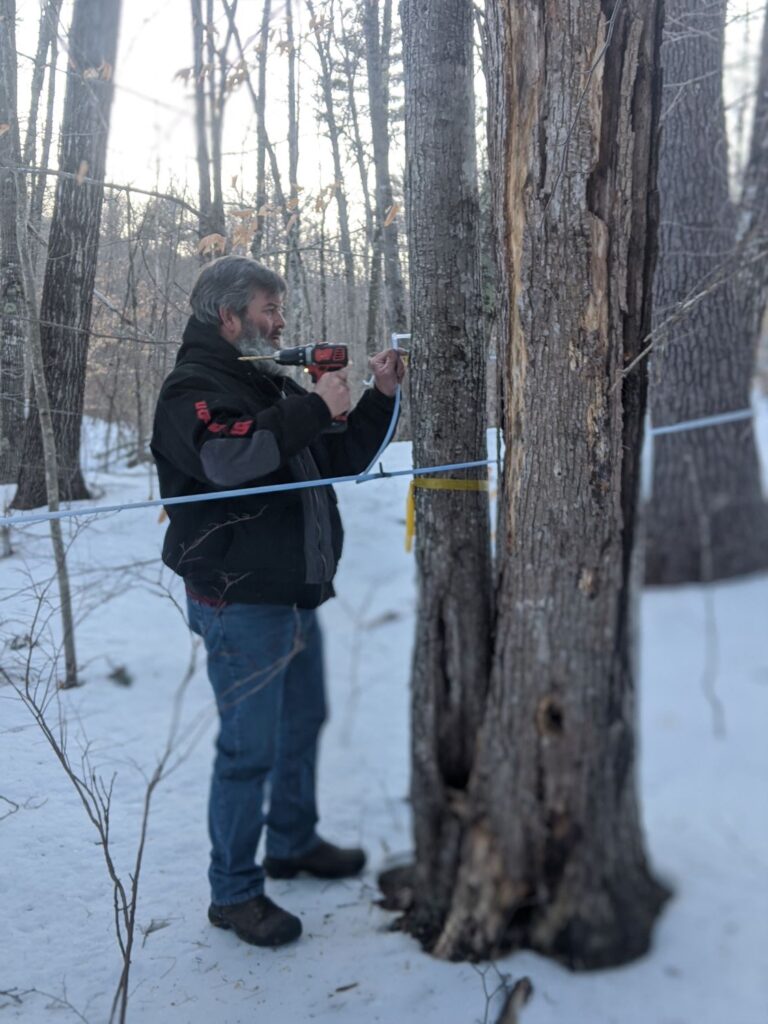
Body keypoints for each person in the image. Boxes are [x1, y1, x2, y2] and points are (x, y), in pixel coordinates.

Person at [151, 255, 405, 948]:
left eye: (281, 308)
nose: (281, 321)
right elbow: (227, 461)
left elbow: (341, 457)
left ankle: (291, 841)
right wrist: (311, 405)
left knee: (303, 721)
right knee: (248, 750)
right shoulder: (192, 388)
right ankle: (233, 894)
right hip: (239, 600)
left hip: (289, 592)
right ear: (228, 317)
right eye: (269, 310)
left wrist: (377, 396)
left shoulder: (262, 381)